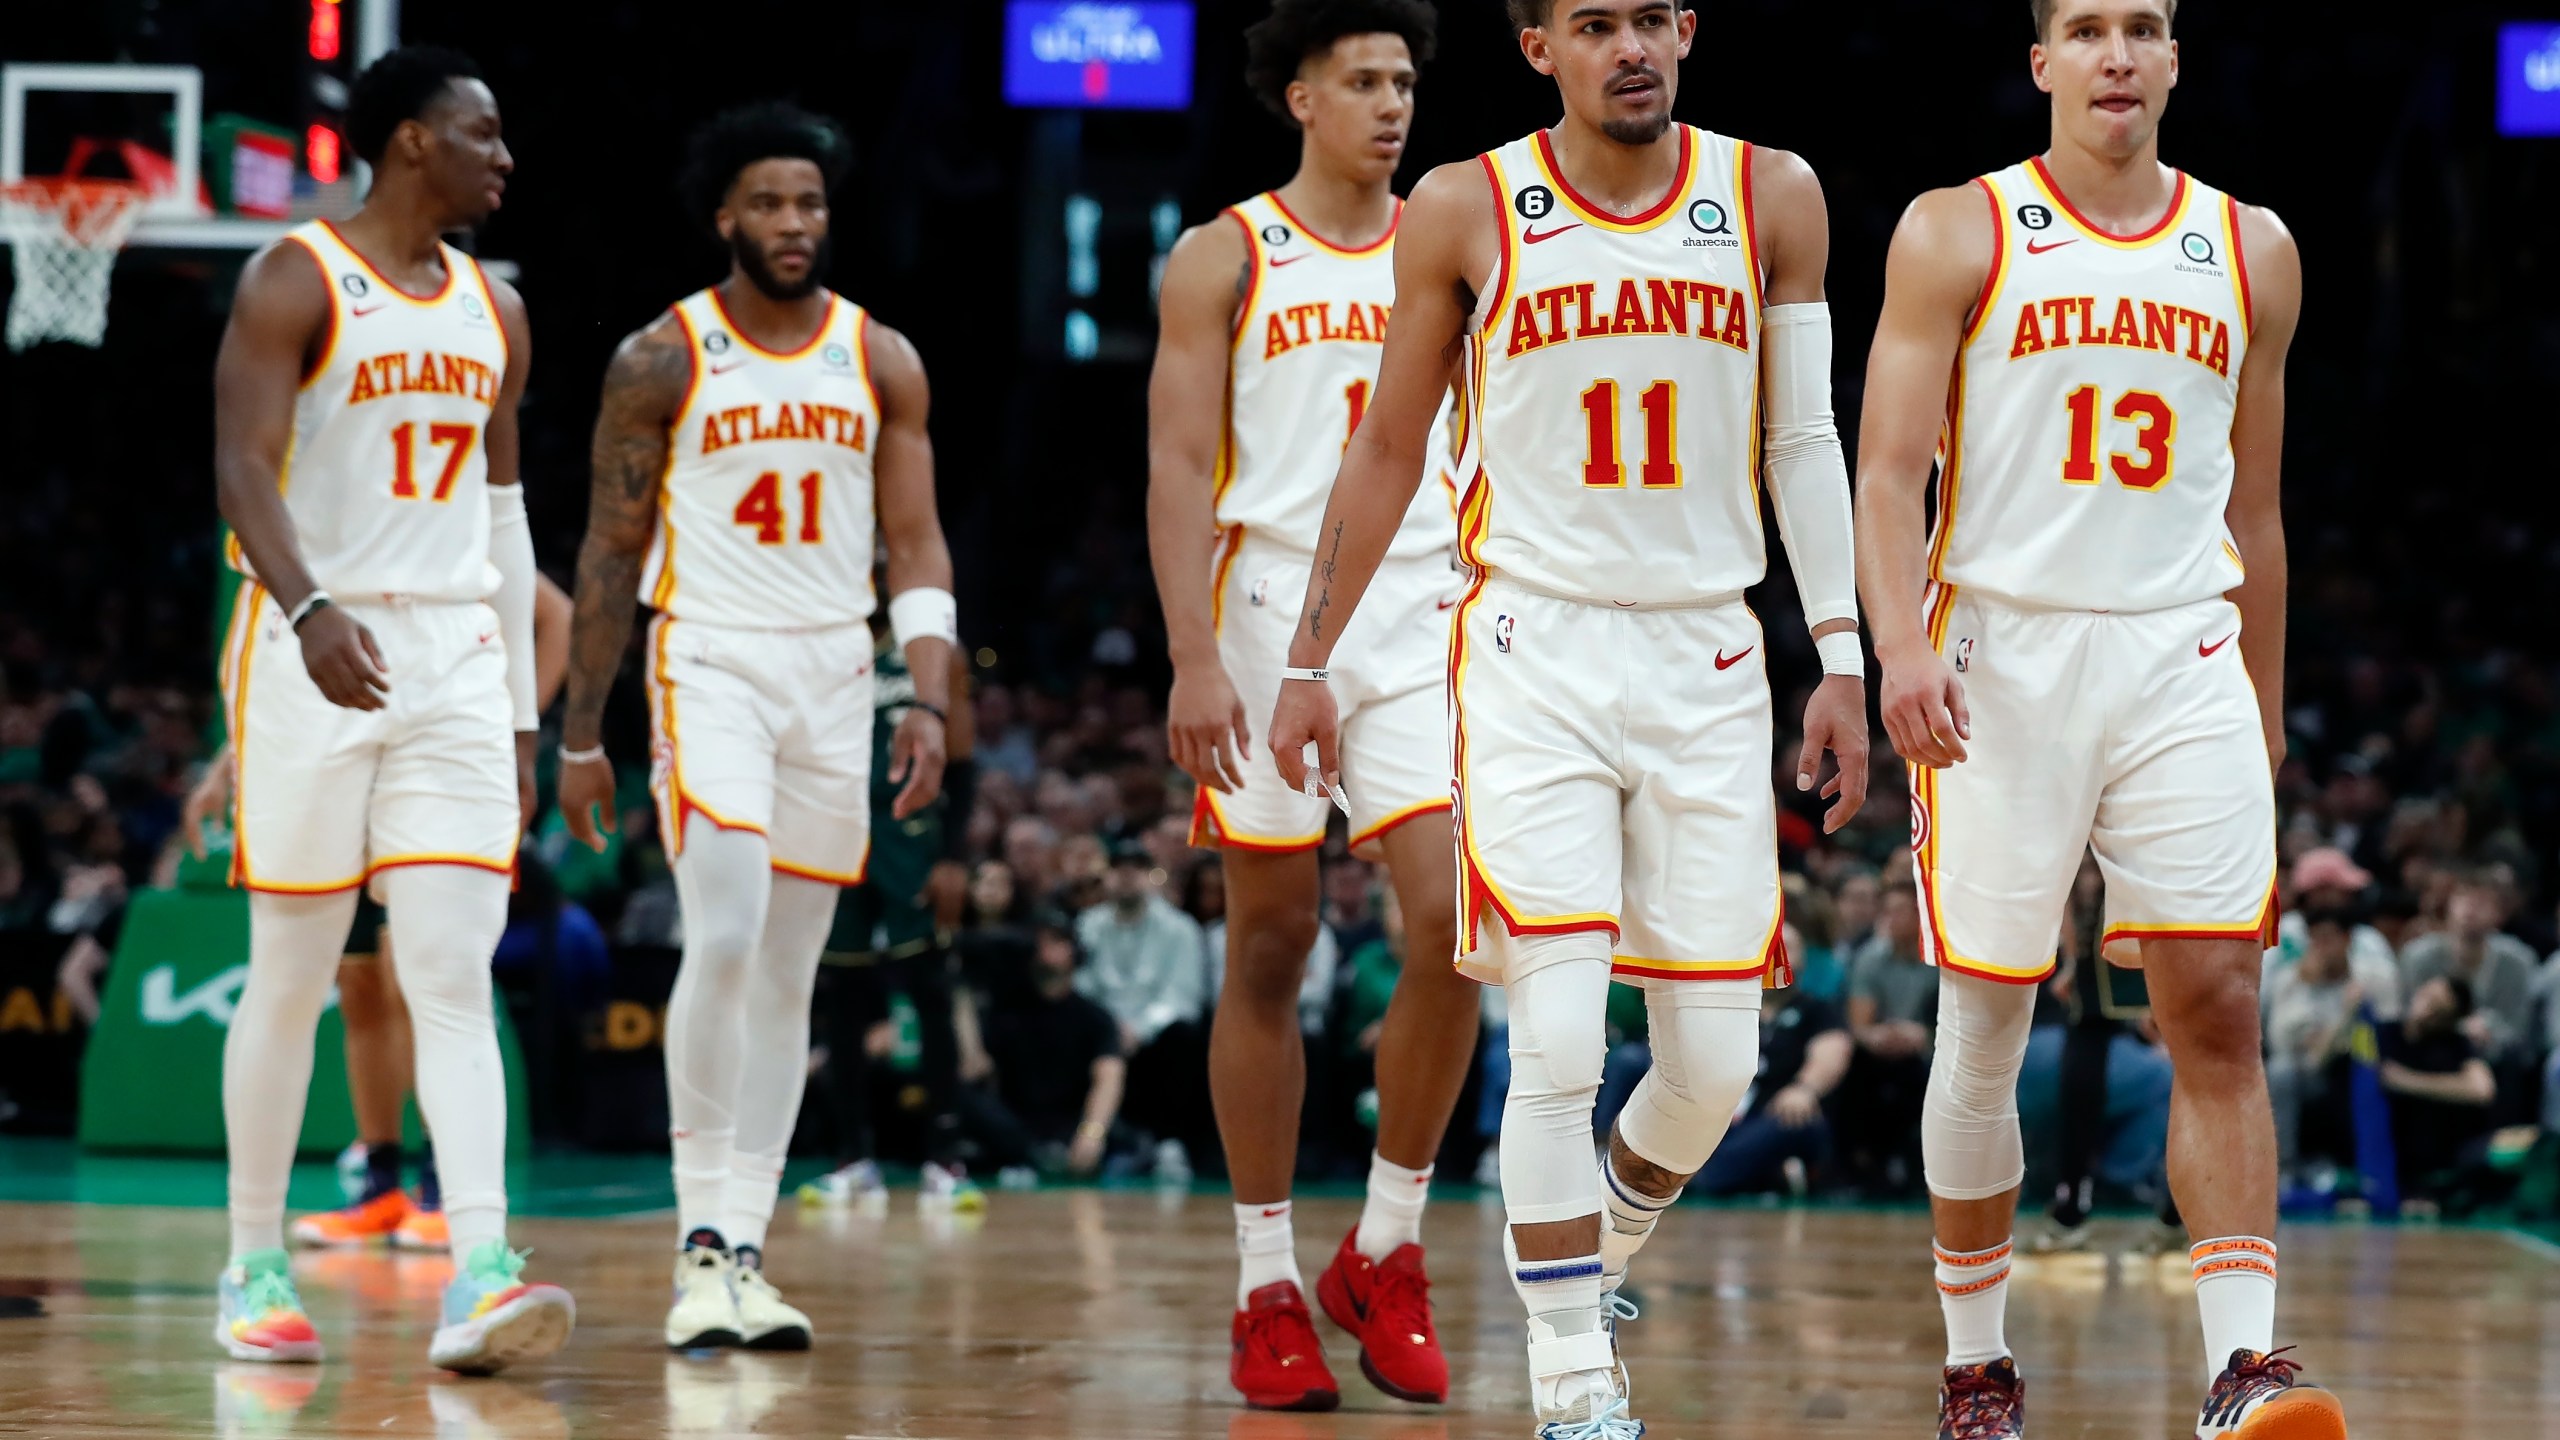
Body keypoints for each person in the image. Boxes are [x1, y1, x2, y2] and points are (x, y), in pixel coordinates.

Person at [1267, 1, 1869, 1430]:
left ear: (1690, 28)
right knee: (1552, 1037)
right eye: (1596, 23)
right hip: (1532, 647)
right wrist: (1306, 663)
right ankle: (1570, 1383)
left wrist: (1838, 648)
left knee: (1712, 1066)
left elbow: (1801, 438)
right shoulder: (1464, 206)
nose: (1632, 47)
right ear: (1540, 46)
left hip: (1709, 657)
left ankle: (1592, 1255)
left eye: (1652, 17)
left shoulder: (1771, 192)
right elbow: (1388, 446)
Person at [1855, 2, 2337, 1434]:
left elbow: (2256, 507)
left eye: (2143, 26)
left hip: (2181, 648)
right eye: (2087, 27)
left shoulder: (2253, 248)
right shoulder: (1958, 230)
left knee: (2219, 1007)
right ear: (2042, 63)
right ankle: (1978, 1363)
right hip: (2002, 652)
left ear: (2177, 57)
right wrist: (1897, 651)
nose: (2116, 52)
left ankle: (2242, 1369)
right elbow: (1886, 479)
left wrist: (2264, 704)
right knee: (1989, 1018)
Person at [557, 101, 955, 1352]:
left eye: (811, 203)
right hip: (709, 658)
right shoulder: (661, 356)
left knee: (790, 973)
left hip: (839, 671)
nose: (794, 223)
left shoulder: (878, 355)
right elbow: (610, 552)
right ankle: (695, 1247)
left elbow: (916, 543)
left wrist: (931, 692)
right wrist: (579, 736)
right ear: (725, 215)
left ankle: (747, 1249)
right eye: (770, 203)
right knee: (722, 932)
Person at [207, 45, 572, 1371]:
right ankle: (251, 1266)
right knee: (298, 974)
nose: (504, 157)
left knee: (451, 977)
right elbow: (242, 468)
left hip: (454, 659)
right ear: (412, 141)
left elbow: (506, 512)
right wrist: (308, 610)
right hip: (316, 641)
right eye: (483, 134)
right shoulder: (293, 277)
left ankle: (479, 1265)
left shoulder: (499, 310)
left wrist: (524, 721)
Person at [1145, 0, 1479, 1410]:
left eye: (1405, 80)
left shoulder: (1456, 236)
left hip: (1423, 604)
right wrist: (1192, 655)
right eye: (1362, 81)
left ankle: (1386, 1251)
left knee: (1460, 923)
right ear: (1298, 97)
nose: (1392, 103)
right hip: (1267, 601)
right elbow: (1172, 466)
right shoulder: (1223, 252)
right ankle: (1264, 1284)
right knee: (1271, 943)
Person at [181, 572, 572, 1253]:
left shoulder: (449, 512)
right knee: (359, 989)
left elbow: (557, 617)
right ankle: (381, 1183)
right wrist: (225, 766)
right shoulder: (315, 526)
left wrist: (516, 726)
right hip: (331, 757)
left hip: (428, 763)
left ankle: (439, 1190)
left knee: (416, 980)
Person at [802, 633, 980, 1213]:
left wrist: (953, 855)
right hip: (839, 827)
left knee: (930, 991)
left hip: (912, 833)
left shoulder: (934, 652)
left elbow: (963, 762)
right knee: (843, 1000)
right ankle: (852, 1159)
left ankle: (945, 1159)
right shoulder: (825, 643)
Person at [1694, 938, 1850, 1197]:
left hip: (1784, 1112)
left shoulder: (1815, 1009)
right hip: (1732, 1115)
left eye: (1790, 947)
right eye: (1772, 946)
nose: (1779, 956)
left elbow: (1834, 1050)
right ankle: (1773, 1175)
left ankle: (1706, 1176)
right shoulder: (1733, 1009)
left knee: (1788, 1122)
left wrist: (1804, 1088)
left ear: (1803, 960)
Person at [1840, 877, 1935, 1192]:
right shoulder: (1870, 958)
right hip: (1881, 1053)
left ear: (1921, 913)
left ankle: (1919, 1170)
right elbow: (1860, 1026)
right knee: (1857, 1071)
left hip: (1931, 1050)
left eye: (1900, 911)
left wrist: (1923, 1036)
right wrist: (1878, 1036)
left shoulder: (1939, 958)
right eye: (1887, 911)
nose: (1890, 919)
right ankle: (1858, 1169)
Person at [2395, 867, 2536, 1068]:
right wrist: (2457, 1029)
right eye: (2462, 898)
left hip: (2493, 1061)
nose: (2469, 909)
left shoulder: (2517, 963)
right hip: (2431, 1053)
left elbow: (2520, 1032)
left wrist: (2489, 1028)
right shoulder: (2418, 957)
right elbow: (2406, 1020)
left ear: (2499, 915)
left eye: (2480, 902)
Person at [2378, 975, 2497, 1203]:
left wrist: (2407, 1081)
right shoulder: (2385, 1032)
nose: (2426, 1009)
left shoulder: (2455, 1045)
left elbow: (2482, 1089)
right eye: (2427, 997)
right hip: (2387, 1152)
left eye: (2437, 1007)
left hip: (2436, 1153)